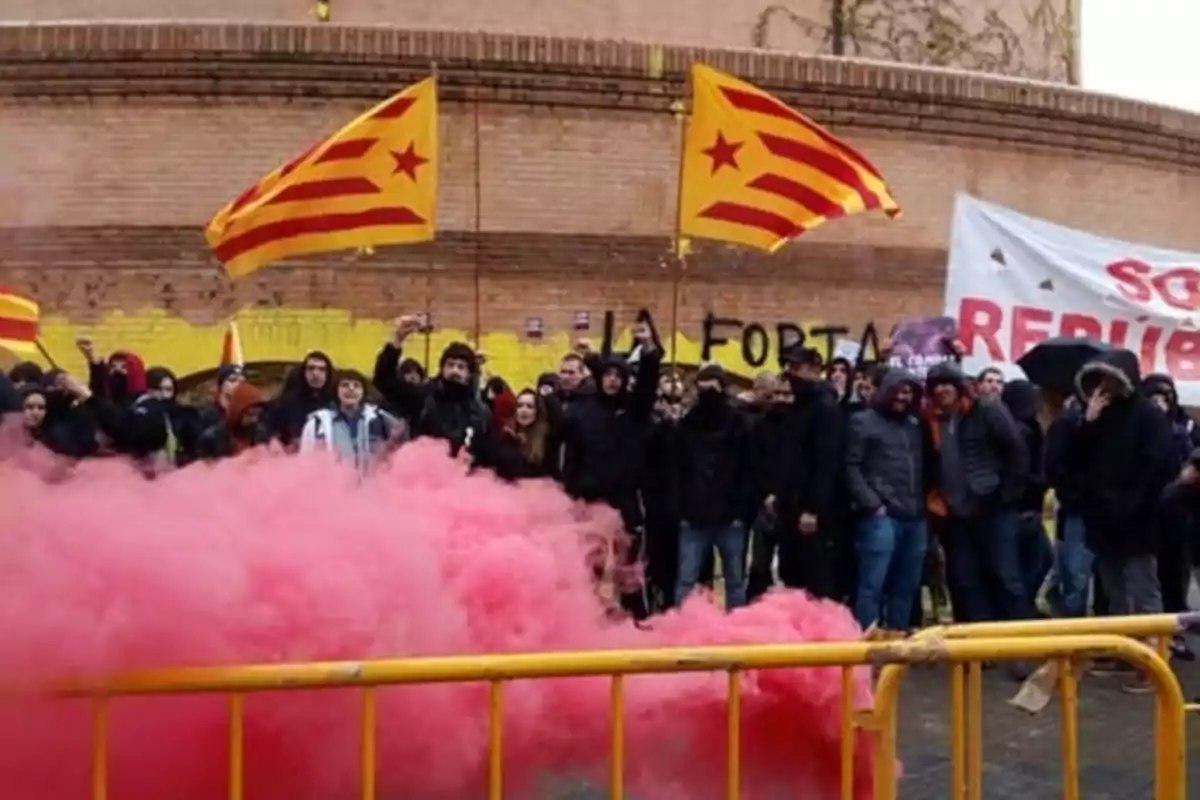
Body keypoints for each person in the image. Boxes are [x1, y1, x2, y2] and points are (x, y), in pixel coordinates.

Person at [1070, 350, 1174, 692]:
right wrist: (1089, 422)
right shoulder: (1102, 416)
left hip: (1138, 519)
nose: (1105, 386)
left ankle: (1153, 663)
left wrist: (1130, 501)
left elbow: (1157, 464)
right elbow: (1080, 460)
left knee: (1143, 591)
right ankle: (1123, 654)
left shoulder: (1148, 416)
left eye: (1112, 379)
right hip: (1104, 521)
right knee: (1115, 592)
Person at [923, 362, 1029, 625]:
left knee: (1006, 575)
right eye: (936, 386)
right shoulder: (933, 420)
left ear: (959, 386)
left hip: (993, 507)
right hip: (956, 513)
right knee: (966, 579)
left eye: (947, 383)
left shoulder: (987, 410)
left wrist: (1006, 495)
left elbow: (1015, 451)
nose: (942, 390)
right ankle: (981, 645)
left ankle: (1022, 642)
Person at [845, 368, 925, 632]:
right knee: (872, 584)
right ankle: (867, 642)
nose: (902, 397)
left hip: (914, 515)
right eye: (898, 391)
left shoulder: (914, 426)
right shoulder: (862, 421)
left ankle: (898, 640)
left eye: (908, 392)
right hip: (881, 516)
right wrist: (872, 503)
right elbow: (851, 466)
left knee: (906, 584)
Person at [672, 364, 755, 611]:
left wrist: (742, 512)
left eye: (712, 386)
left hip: (730, 518)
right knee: (687, 579)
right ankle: (684, 626)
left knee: (735, 581)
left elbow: (749, 469)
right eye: (703, 386)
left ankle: (736, 627)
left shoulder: (741, 424)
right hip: (694, 516)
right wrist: (682, 510)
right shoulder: (687, 424)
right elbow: (677, 468)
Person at [767, 346, 842, 599]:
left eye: (796, 368)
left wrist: (813, 508)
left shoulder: (824, 407)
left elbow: (826, 462)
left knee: (816, 577)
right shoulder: (796, 407)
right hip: (789, 506)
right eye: (788, 367)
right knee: (791, 575)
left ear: (814, 370)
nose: (790, 374)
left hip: (810, 512)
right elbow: (788, 457)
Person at [372, 315, 490, 459]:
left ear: (469, 374)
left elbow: (487, 452)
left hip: (462, 477)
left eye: (461, 367)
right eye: (450, 365)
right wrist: (397, 340)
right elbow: (384, 379)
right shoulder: (423, 396)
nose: (455, 371)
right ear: (442, 368)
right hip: (422, 476)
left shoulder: (479, 411)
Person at [1000, 379, 1053, 609]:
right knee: (1031, 564)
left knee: (1037, 561)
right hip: (1022, 509)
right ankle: (1021, 609)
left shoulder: (1025, 428)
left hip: (1025, 509)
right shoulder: (1022, 431)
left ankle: (1023, 607)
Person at [299, 369, 404, 477]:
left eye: (357, 385)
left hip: (372, 489)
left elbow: (397, 455)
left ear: (363, 392)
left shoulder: (380, 419)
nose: (351, 389)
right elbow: (305, 461)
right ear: (336, 391)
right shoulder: (318, 423)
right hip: (332, 489)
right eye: (345, 385)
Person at [268, 351, 337, 448]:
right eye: (311, 368)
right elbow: (267, 428)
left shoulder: (335, 403)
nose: (316, 373)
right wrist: (273, 441)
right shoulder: (286, 402)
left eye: (322, 369)